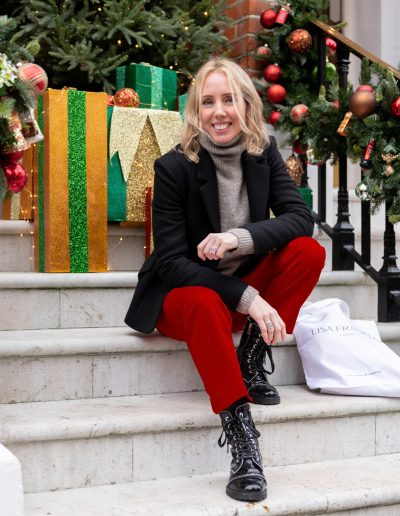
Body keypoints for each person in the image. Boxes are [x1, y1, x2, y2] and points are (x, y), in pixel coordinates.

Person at [125, 57, 325, 502]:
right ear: (195, 111)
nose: (219, 112)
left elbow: (300, 220)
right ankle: (242, 441)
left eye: (228, 100)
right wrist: (247, 297)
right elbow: (172, 261)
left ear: (246, 105)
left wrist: (239, 238)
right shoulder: (174, 166)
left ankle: (250, 360)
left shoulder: (263, 151)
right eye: (208, 102)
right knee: (200, 301)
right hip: (185, 298)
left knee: (308, 252)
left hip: (239, 288)